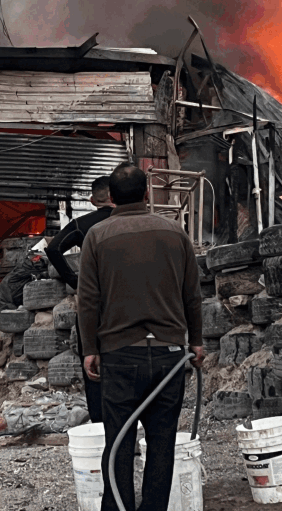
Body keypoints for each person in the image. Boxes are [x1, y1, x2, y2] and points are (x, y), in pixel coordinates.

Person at [78, 163, 204, 511]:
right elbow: (192, 294)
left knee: (118, 443)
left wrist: (90, 349)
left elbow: (87, 300)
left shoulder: (97, 237)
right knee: (162, 444)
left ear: (111, 198)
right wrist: (196, 342)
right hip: (169, 355)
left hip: (120, 356)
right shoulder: (174, 233)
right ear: (147, 194)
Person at [45, 175, 114, 421]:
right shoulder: (136, 222)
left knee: (94, 368)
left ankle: (100, 424)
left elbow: (53, 249)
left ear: (94, 200)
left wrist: (73, 279)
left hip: (95, 306)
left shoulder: (84, 225)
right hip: (131, 307)